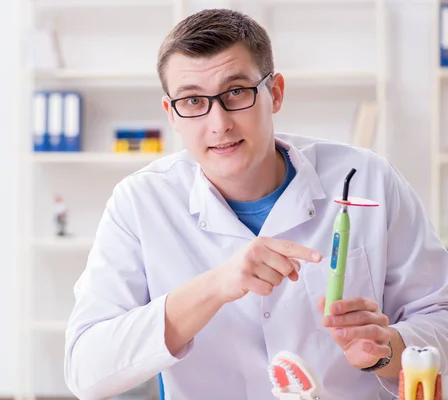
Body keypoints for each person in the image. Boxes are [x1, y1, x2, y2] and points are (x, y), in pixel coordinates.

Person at [64, 8, 448, 400]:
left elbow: (440, 316)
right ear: (172, 115)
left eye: (235, 92)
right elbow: (86, 370)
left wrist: (385, 351)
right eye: (193, 101)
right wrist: (215, 286)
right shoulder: (140, 203)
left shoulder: (367, 179)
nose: (219, 124)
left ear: (275, 92)